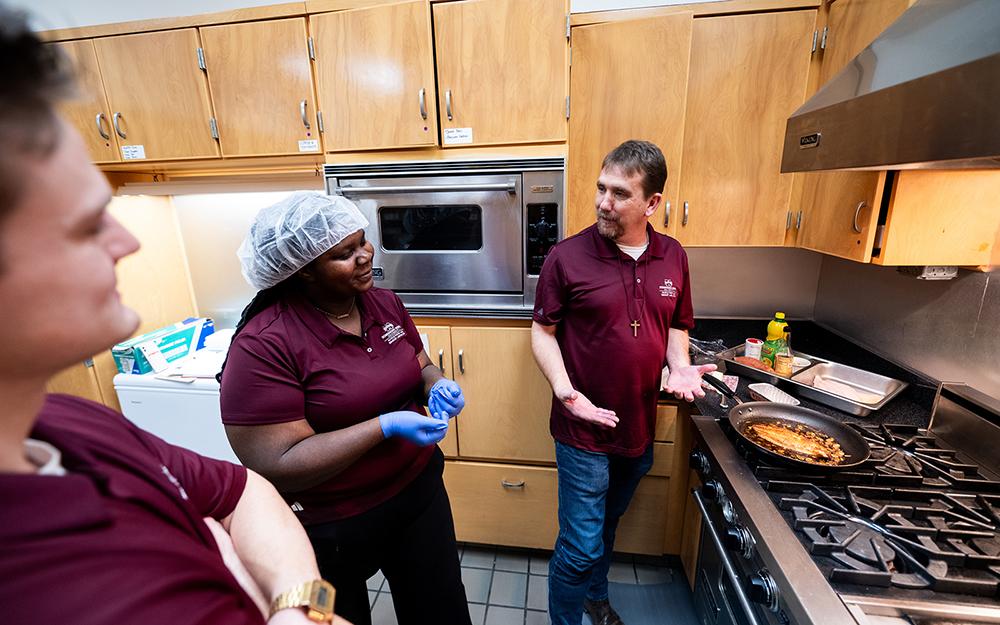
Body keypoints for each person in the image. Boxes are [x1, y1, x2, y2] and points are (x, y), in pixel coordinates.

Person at [0, 9, 348, 625]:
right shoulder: (42, 584)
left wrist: (304, 608)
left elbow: (245, 494)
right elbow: (266, 474)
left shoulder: (68, 423)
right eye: (85, 225)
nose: (126, 243)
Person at [218, 191, 472, 625]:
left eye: (362, 241)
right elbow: (277, 461)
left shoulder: (383, 303)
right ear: (303, 273)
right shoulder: (265, 344)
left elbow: (420, 363)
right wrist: (385, 426)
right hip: (328, 525)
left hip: (417, 494)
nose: (364, 256)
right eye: (344, 253)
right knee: (337, 619)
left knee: (441, 611)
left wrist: (438, 383)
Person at [531, 140, 716, 625]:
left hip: (637, 425)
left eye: (619, 194)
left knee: (607, 526)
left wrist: (678, 365)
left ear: (652, 203)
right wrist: (566, 394)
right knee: (579, 547)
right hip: (582, 429)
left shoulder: (673, 256)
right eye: (601, 188)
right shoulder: (566, 257)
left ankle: (596, 597)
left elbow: (677, 323)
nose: (603, 203)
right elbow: (542, 332)